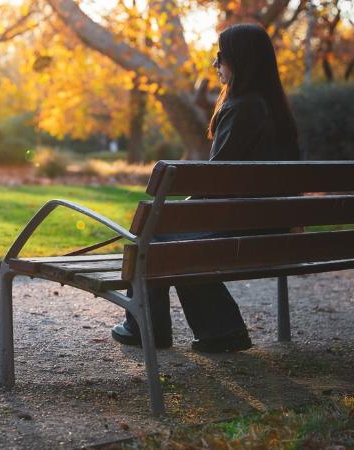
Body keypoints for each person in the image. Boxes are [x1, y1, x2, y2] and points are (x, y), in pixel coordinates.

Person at [111, 23, 301, 352]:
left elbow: (214, 180)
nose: (216, 64)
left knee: (156, 235)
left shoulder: (243, 108)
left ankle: (148, 328)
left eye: (221, 56)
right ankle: (220, 331)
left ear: (240, 61)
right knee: (175, 236)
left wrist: (180, 210)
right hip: (273, 229)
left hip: (245, 229)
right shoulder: (276, 110)